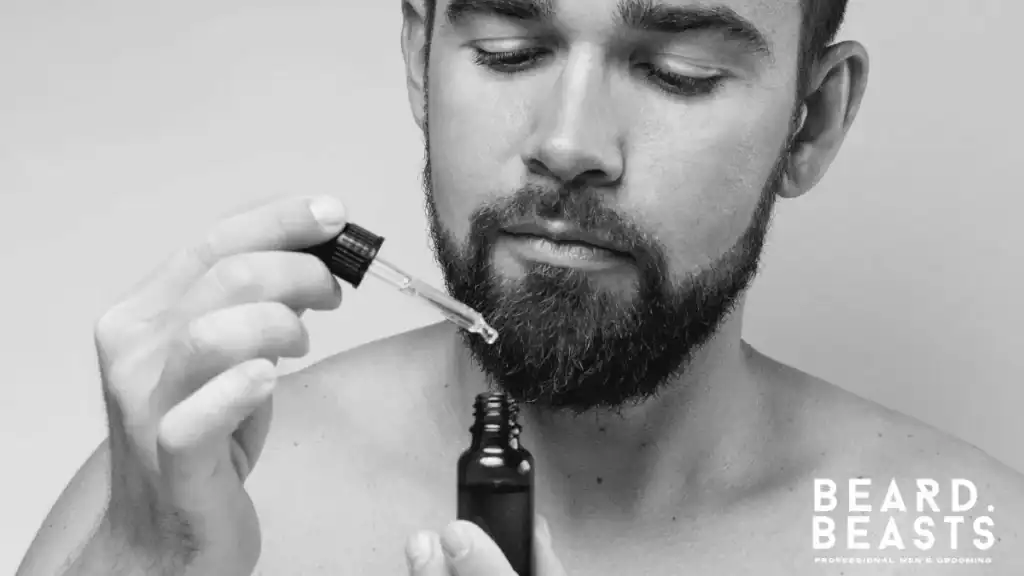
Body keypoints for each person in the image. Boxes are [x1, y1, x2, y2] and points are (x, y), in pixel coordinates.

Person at [16, 0, 1024, 574]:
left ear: (812, 122)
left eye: (677, 72)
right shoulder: (186, 495)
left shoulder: (967, 545)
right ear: (421, 54)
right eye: (510, 53)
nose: (568, 143)